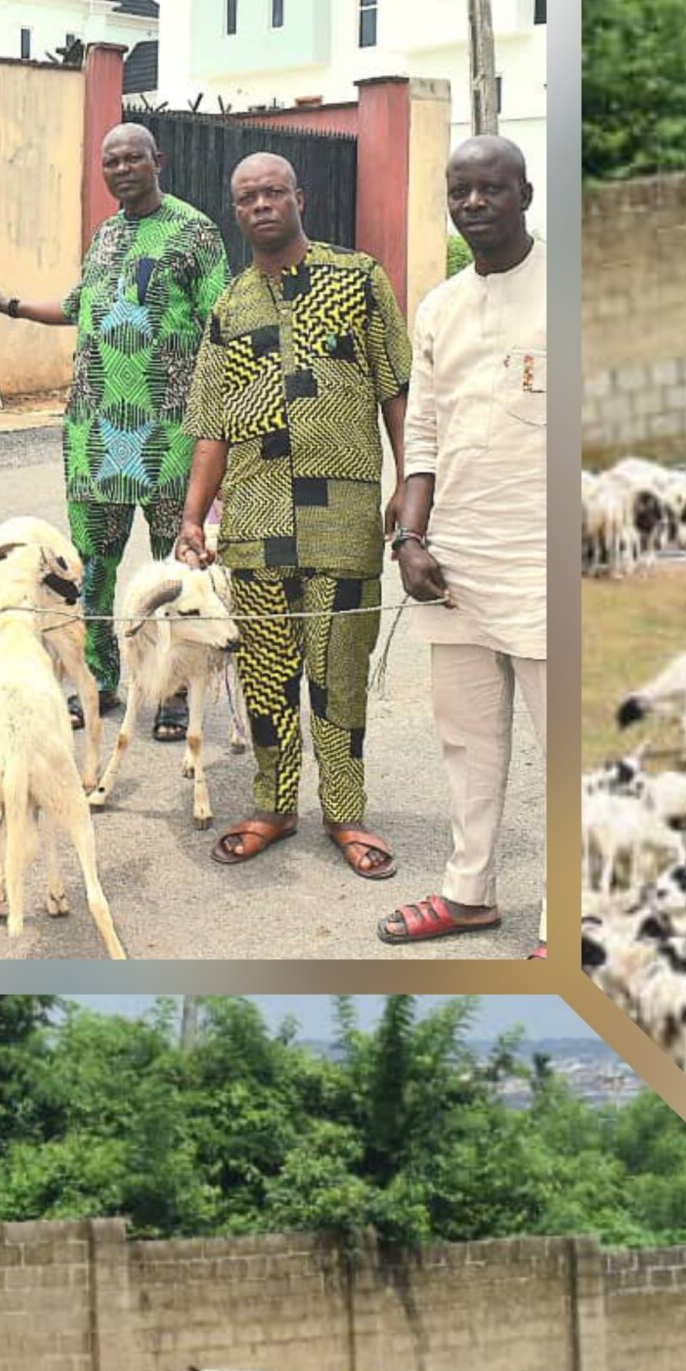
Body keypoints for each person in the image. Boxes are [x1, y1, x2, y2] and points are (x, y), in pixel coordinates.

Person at [177, 152, 410, 881]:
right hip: (255, 523)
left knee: (340, 677)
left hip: (344, 521)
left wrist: (410, 482)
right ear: (236, 211)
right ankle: (273, 807)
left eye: (273, 192)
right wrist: (192, 518)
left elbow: (397, 389)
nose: (261, 205)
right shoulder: (230, 307)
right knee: (268, 679)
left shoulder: (359, 280)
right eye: (247, 197)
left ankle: (345, 812)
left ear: (299, 198)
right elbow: (211, 424)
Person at [0, 122, 228, 727]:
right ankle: (100, 681)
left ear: (158, 160)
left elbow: (221, 325)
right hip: (94, 433)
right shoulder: (106, 235)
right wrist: (7, 304)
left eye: (133, 158)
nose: (121, 169)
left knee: (175, 568)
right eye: (111, 161)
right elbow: (77, 304)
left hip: (170, 432)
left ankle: (171, 691)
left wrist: (221, 424)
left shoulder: (195, 232)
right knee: (91, 566)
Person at [379, 135, 547, 956]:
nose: (474, 203)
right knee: (467, 741)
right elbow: (424, 436)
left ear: (525, 195)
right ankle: (469, 892)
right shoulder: (439, 307)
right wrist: (411, 538)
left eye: (491, 189)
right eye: (460, 191)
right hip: (455, 559)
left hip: (547, 561)